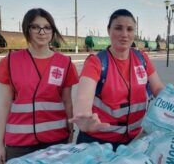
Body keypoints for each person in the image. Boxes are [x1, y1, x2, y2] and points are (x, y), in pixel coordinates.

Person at [0, 8, 79, 163]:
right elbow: (4, 105)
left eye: (47, 27)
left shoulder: (65, 63)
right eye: (35, 27)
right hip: (19, 144)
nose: (42, 32)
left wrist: (71, 134)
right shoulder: (10, 61)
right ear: (27, 29)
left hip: (56, 140)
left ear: (53, 31)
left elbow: (67, 103)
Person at [69, 9, 164, 150]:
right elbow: (83, 99)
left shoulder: (142, 59)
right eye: (118, 28)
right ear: (109, 30)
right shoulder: (96, 63)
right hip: (98, 142)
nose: (124, 34)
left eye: (130, 29)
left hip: (134, 141)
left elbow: (158, 89)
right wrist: (84, 119)